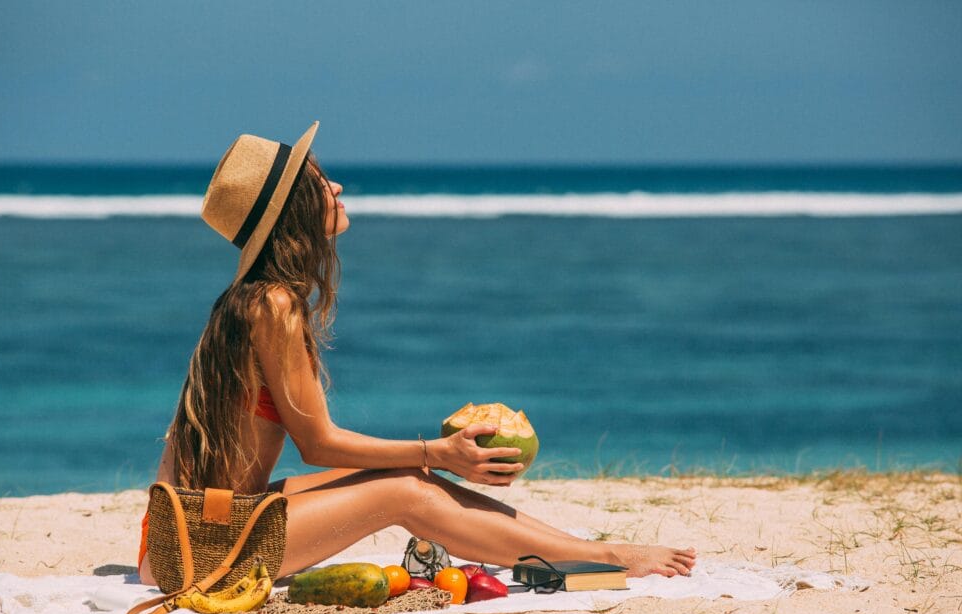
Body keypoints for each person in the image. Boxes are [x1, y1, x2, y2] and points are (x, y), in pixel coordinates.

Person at [138, 122, 695, 585]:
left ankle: (588, 552)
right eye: (319, 182)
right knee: (407, 490)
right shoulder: (273, 306)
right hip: (200, 547)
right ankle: (603, 561)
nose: (336, 187)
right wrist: (439, 450)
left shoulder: (254, 300)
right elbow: (318, 444)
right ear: (294, 211)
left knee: (412, 474)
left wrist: (432, 455)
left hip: (193, 527)